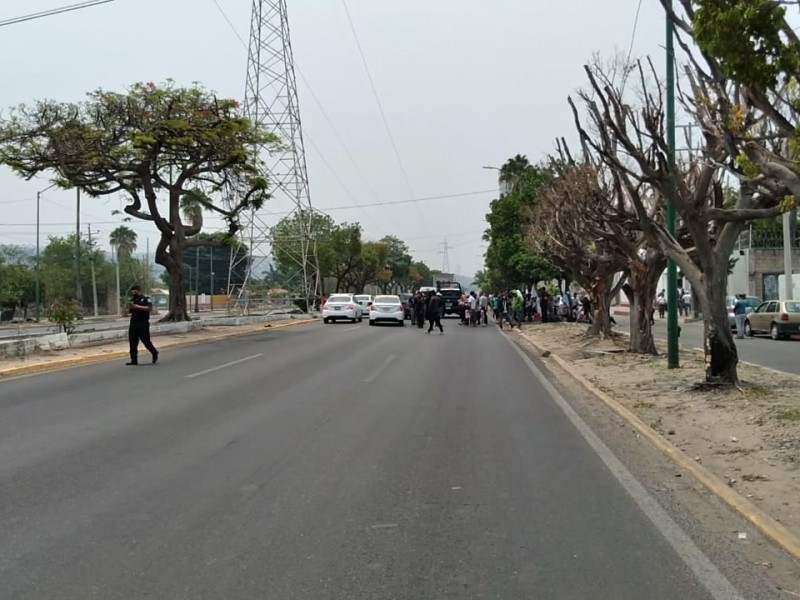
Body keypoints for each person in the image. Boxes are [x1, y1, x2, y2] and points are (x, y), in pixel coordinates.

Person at [127, 284, 159, 365]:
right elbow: (127, 312)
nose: (134, 293)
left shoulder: (146, 299)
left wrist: (137, 307)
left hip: (143, 323)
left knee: (146, 341)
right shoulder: (133, 300)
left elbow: (149, 308)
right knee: (132, 341)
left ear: (139, 291)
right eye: (132, 292)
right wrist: (129, 307)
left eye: (135, 291)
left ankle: (154, 352)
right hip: (133, 322)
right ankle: (134, 360)